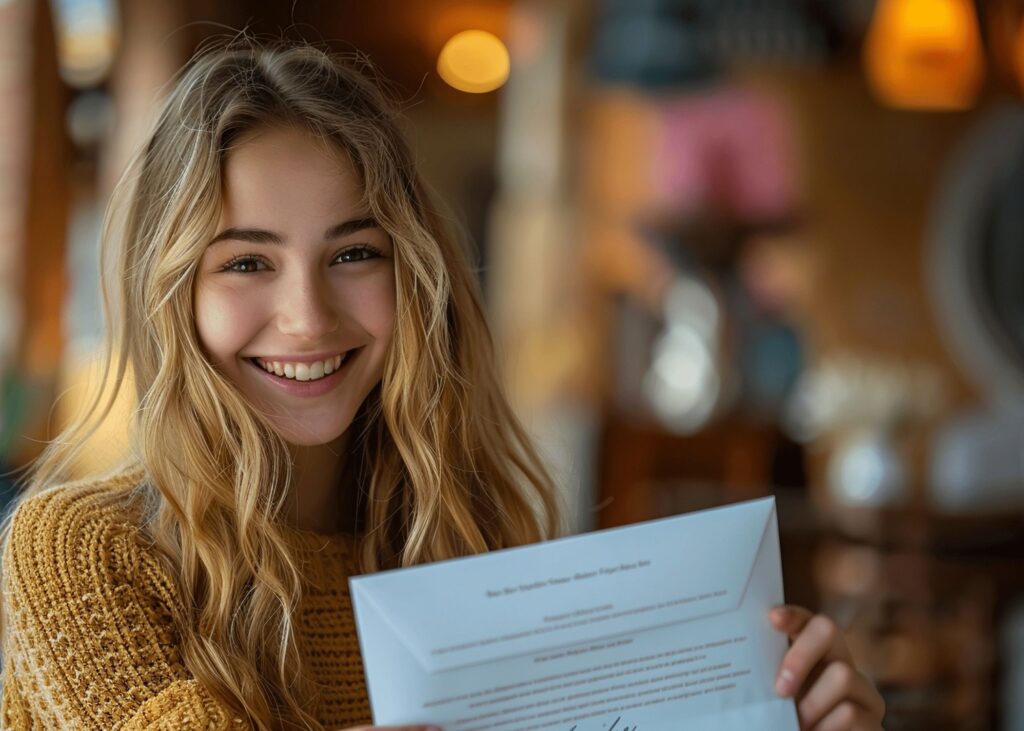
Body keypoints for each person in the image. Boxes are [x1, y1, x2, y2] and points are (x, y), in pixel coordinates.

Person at [0, 38, 885, 731]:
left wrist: (785, 707)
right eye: (245, 263)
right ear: (170, 295)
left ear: (415, 278)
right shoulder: (76, 552)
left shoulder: (476, 554)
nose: (306, 316)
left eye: (354, 253)